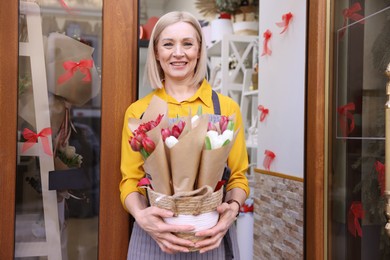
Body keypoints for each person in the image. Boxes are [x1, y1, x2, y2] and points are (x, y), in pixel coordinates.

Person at [120, 11, 249, 259]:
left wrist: (232, 210)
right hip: (154, 239)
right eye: (168, 44)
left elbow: (238, 177)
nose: (178, 53)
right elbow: (130, 180)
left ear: (199, 50)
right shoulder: (139, 112)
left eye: (187, 44)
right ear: (156, 52)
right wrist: (141, 216)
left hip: (208, 239)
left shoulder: (225, 109)